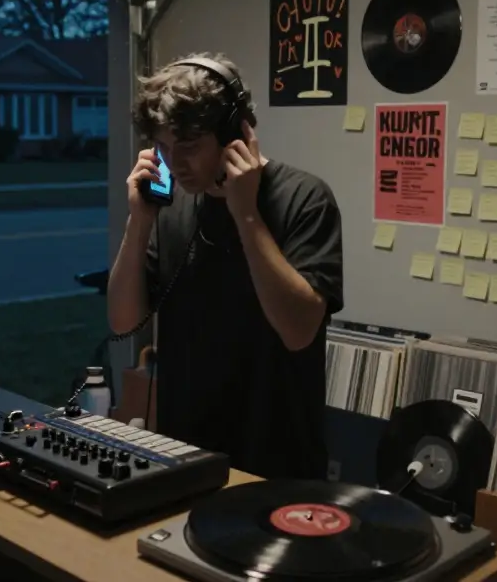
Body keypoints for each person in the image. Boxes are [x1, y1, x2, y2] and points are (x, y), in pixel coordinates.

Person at [106, 53, 344, 480]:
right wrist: (139, 222)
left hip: (275, 462)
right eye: (163, 147)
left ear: (234, 133)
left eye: (190, 146)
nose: (175, 163)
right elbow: (123, 320)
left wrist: (246, 214)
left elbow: (298, 330)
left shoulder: (305, 198)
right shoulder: (171, 207)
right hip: (184, 452)